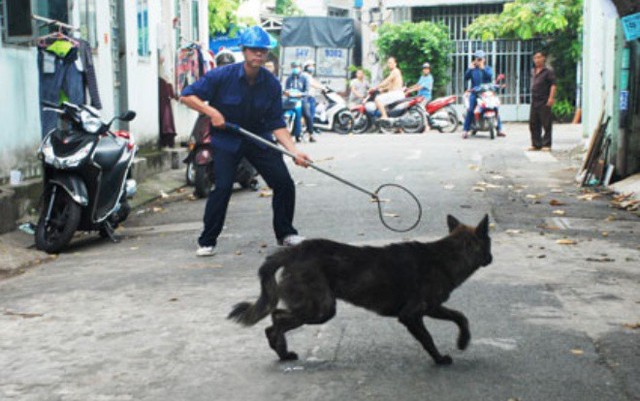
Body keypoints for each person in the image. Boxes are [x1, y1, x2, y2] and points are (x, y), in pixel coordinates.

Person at [179, 26, 311, 257]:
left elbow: (277, 124)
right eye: (253, 50)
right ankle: (207, 240)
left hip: (258, 137)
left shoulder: (271, 84)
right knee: (222, 187)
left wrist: (294, 151)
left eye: (263, 51)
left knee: (283, 182)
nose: (258, 55)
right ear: (244, 51)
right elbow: (187, 95)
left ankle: (286, 233)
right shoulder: (222, 76)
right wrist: (211, 111)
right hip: (227, 139)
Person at [462, 50, 506, 139]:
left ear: (484, 59)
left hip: (487, 93)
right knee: (470, 110)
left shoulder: (488, 68)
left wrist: (482, 68)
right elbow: (466, 78)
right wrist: (469, 69)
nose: (478, 61)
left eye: (480, 59)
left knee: (495, 107)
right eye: (477, 59)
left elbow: (490, 76)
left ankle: (499, 129)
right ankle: (466, 130)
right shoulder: (472, 70)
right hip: (475, 92)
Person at [529, 50, 557, 151]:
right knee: (533, 123)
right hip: (534, 100)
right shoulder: (533, 71)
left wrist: (551, 98)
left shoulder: (548, 71)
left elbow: (553, 85)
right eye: (535, 58)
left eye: (539, 57)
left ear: (543, 58)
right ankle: (536, 144)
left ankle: (547, 144)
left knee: (546, 123)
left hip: (544, 100)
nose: (537, 60)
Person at [284, 60, 309, 142]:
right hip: (290, 99)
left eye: (297, 67)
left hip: (300, 99)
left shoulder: (304, 78)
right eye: (294, 67)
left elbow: (306, 91)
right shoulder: (289, 78)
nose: (295, 69)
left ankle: (303, 133)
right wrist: (286, 93)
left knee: (306, 115)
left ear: (300, 68)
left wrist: (301, 94)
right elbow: (286, 89)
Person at [302, 59, 322, 140]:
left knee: (311, 116)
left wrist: (323, 86)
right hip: (308, 98)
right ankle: (308, 133)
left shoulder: (310, 76)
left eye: (313, 66)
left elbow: (316, 83)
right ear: (306, 67)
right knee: (309, 116)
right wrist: (321, 87)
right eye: (310, 66)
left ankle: (309, 133)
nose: (312, 67)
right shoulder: (305, 75)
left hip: (311, 97)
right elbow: (313, 84)